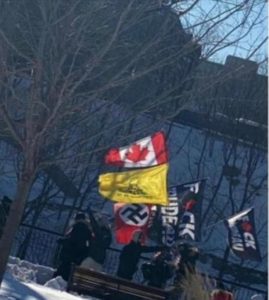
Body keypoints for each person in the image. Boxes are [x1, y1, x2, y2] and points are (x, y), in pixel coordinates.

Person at [54, 212, 94, 281]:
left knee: (62, 273)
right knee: (69, 273)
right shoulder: (88, 230)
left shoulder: (77, 227)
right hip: (78, 257)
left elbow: (72, 241)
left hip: (69, 255)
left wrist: (62, 241)